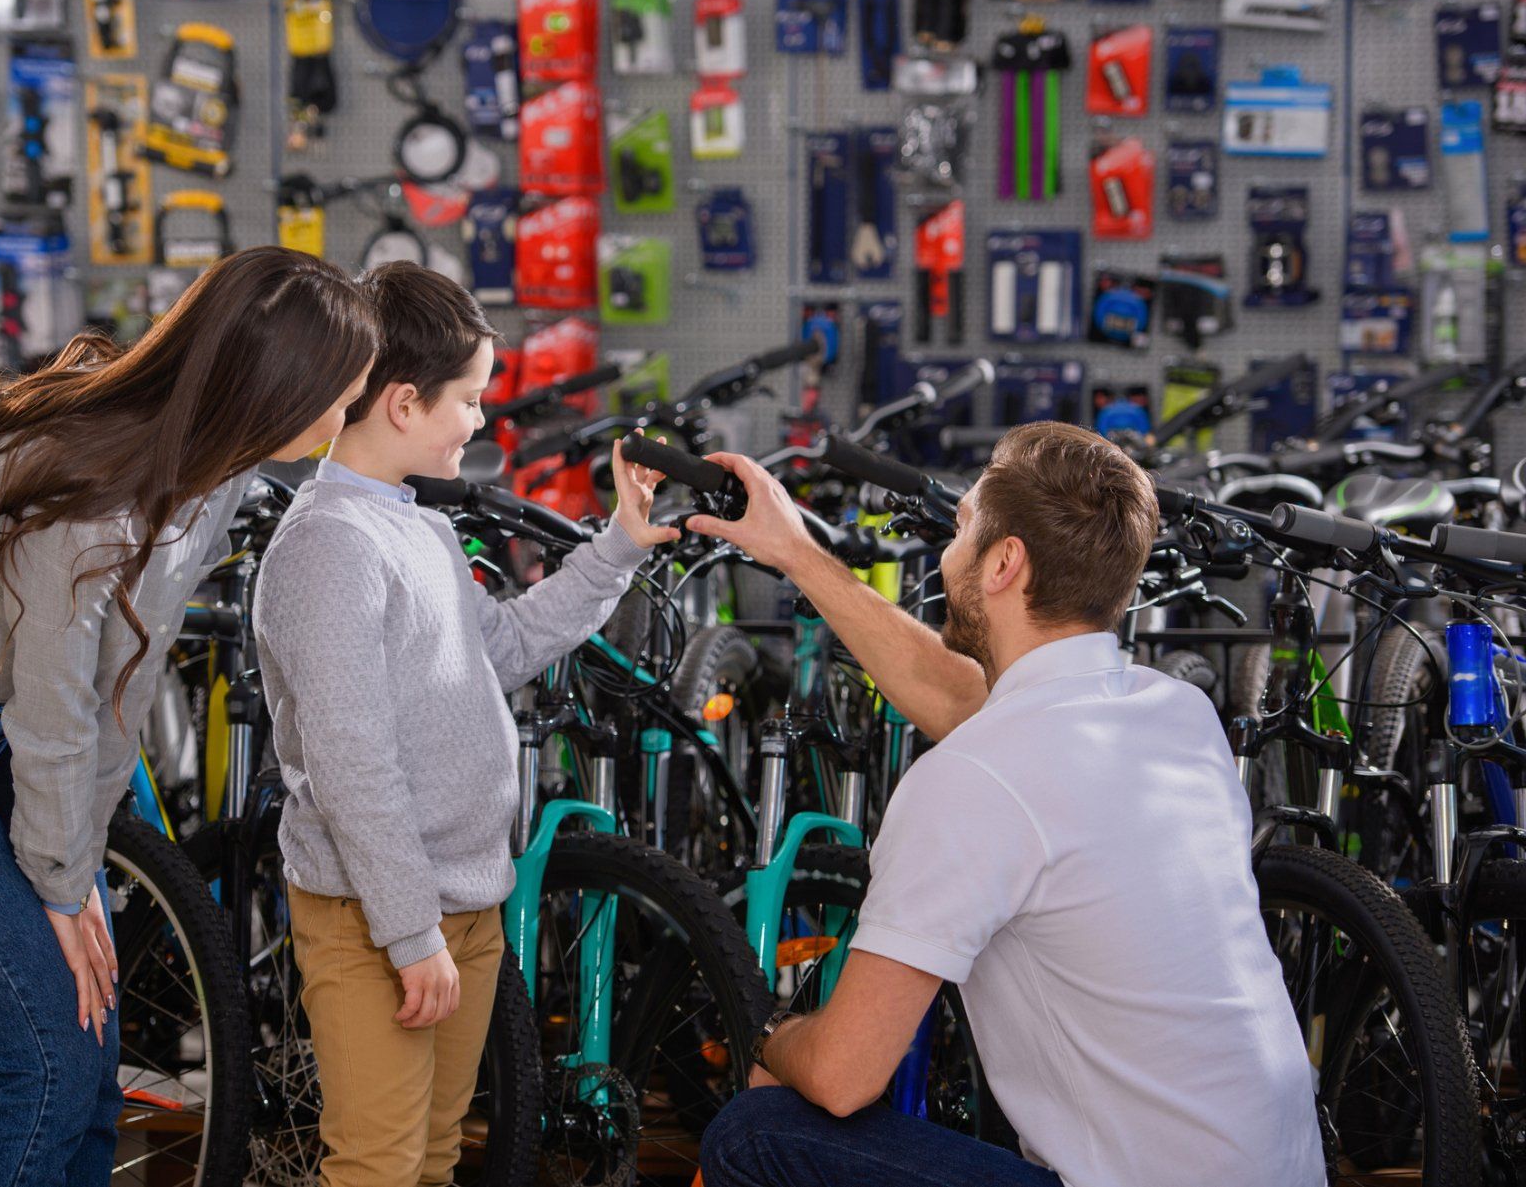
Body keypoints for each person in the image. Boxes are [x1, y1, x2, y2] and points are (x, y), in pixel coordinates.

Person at [0, 246, 380, 1185]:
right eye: (341, 393)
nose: (348, 416)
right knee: (42, 1064)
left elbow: (119, 682)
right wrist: (61, 886)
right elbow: (57, 701)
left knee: (89, 1050)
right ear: (275, 388)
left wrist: (77, 857)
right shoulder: (89, 484)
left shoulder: (217, 467)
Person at [690, 421, 1323, 1187]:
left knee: (755, 1131)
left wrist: (769, 1035)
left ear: (1003, 562)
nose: (945, 554)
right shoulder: (1178, 714)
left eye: (960, 532)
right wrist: (794, 548)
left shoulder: (974, 777)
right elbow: (970, 701)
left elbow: (842, 1073)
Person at [251, 262, 678, 1187]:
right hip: (378, 916)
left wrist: (617, 549)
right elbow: (350, 766)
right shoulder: (329, 548)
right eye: (471, 400)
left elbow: (509, 642)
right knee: (377, 1166)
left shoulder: (420, 528)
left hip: (462, 904)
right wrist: (410, 935)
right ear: (404, 402)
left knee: (435, 1160)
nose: (480, 421)